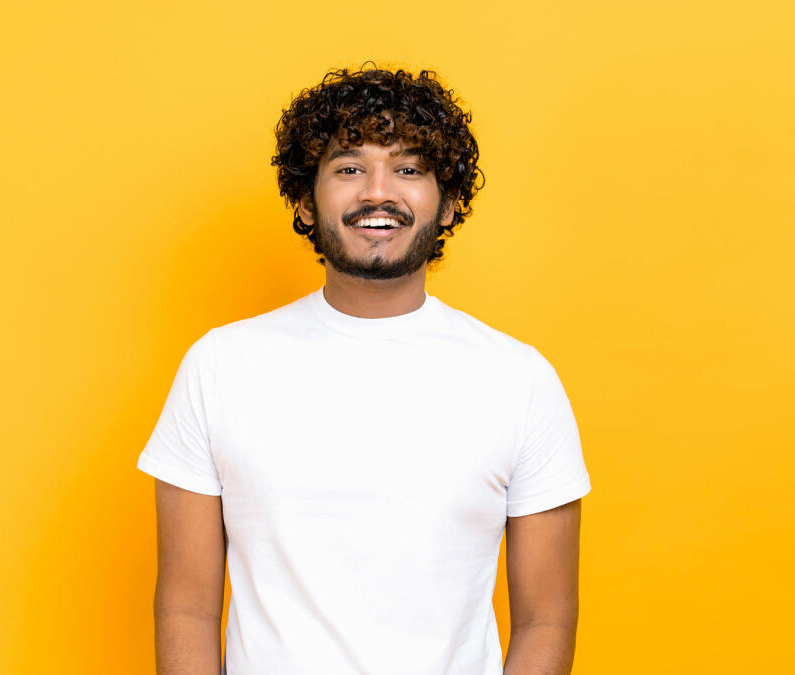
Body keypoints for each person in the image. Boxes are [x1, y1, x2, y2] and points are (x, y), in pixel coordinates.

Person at [139, 64, 593, 675]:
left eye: (408, 169)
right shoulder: (219, 367)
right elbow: (187, 608)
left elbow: (546, 619)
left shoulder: (521, 380)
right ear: (305, 201)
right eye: (349, 168)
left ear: (450, 203)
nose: (378, 192)